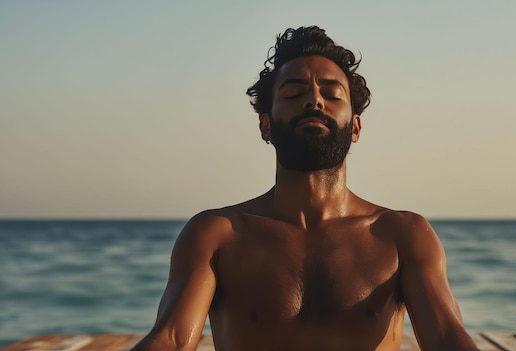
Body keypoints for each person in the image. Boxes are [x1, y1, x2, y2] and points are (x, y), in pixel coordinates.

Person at [132, 26, 479, 351]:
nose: (314, 101)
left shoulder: (402, 235)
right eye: (294, 92)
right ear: (265, 125)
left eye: (331, 94)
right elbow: (172, 340)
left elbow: (447, 337)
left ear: (355, 126)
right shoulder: (218, 235)